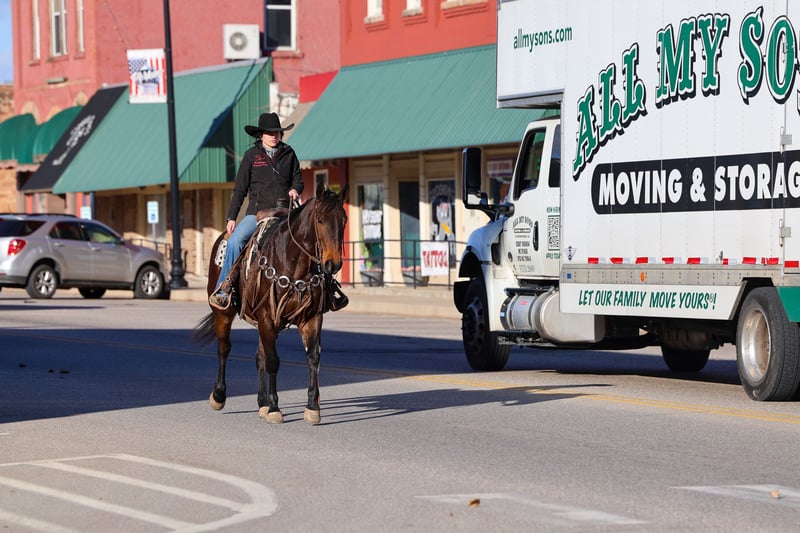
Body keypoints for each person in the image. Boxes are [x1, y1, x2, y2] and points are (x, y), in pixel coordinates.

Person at [210, 112, 304, 309]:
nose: (274, 136)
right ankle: (224, 288)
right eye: (270, 132)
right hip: (257, 213)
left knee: (309, 237)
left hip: (284, 212)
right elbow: (240, 190)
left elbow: (298, 179)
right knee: (234, 242)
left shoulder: (289, 153)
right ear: (261, 134)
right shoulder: (251, 156)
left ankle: (324, 286)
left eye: (277, 132)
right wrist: (231, 217)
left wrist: (295, 189)